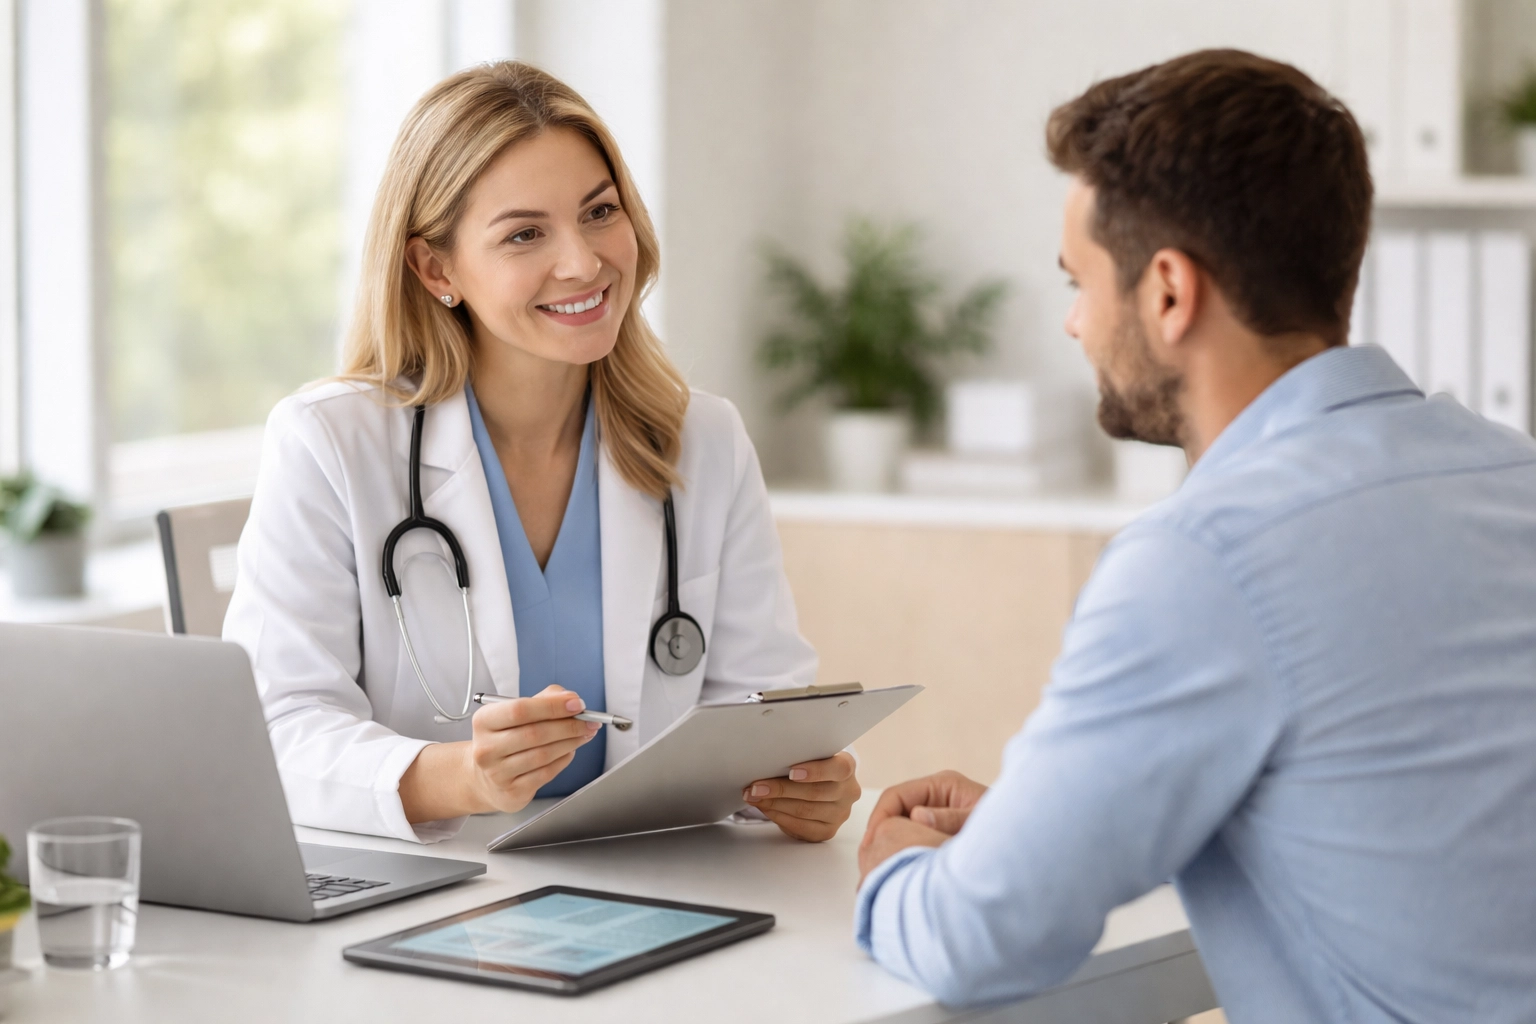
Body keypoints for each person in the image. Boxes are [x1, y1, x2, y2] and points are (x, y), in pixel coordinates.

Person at [854, 49, 1536, 1023]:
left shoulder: (1207, 557)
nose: (1075, 325)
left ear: (1169, 292)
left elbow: (979, 938)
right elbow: (1387, 817)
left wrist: (895, 867)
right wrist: (1043, 823)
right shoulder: (1510, 473)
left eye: (1080, 282)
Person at [223, 61, 858, 845]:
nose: (584, 262)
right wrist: (461, 778)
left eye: (599, 212)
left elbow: (761, 701)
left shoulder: (705, 439)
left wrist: (797, 786)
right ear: (436, 268)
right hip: (442, 883)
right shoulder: (329, 443)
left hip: (649, 867)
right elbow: (276, 726)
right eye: (525, 234)